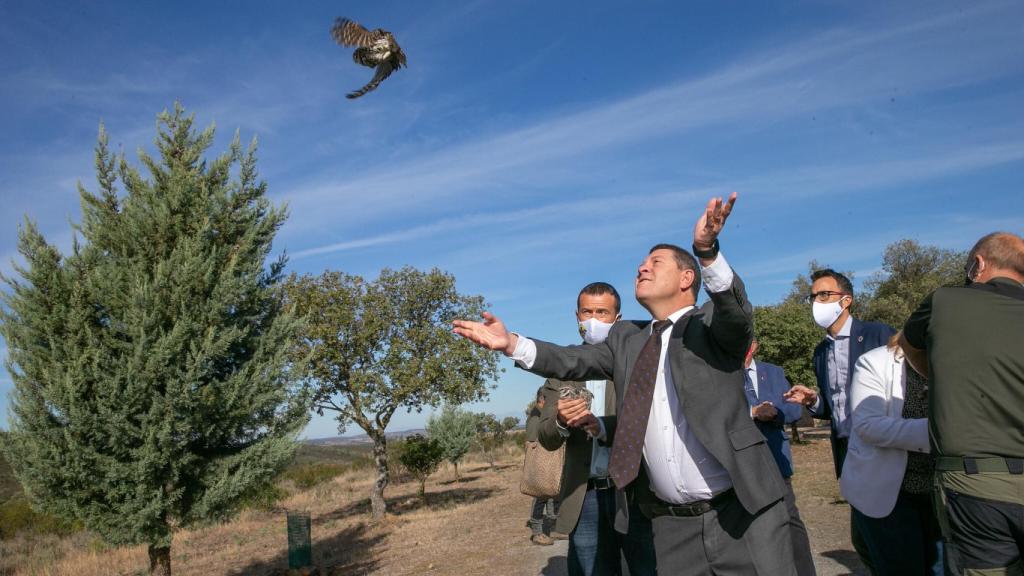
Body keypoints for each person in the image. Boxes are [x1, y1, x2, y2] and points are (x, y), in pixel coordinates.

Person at [455, 193, 797, 575]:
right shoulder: (625, 339)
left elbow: (736, 313)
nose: (641, 268)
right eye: (641, 263)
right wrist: (512, 344)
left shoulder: (710, 326)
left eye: (655, 262)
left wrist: (706, 250)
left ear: (687, 278)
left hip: (741, 511)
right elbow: (571, 359)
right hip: (669, 525)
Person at [900, 231, 1024, 575]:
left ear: (978, 264)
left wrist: (946, 378)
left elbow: (911, 346)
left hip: (976, 487)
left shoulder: (945, 301)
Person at [537, 282, 656, 576]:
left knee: (647, 567)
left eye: (602, 312)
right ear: (576, 316)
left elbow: (652, 420)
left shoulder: (636, 364)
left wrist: (603, 426)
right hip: (585, 495)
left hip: (632, 491)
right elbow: (545, 437)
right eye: (587, 312)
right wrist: (561, 421)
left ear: (617, 318)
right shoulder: (561, 370)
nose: (593, 319)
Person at [783, 268, 895, 571]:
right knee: (863, 536)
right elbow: (833, 408)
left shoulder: (878, 334)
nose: (816, 302)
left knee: (890, 533)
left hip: (883, 448)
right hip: (847, 451)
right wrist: (813, 400)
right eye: (813, 296)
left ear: (846, 300)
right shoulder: (821, 351)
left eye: (824, 295)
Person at [840, 333, 941, 575]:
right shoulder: (875, 362)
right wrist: (941, 431)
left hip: (941, 493)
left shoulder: (955, 362)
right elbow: (868, 425)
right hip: (891, 496)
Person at [743, 340, 816, 576]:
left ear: (754, 345)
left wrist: (773, 411)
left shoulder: (773, 372)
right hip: (743, 464)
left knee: (790, 522)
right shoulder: (724, 373)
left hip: (776, 460)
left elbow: (794, 410)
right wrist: (753, 412)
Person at [525, 387, 561, 545]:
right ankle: (537, 533)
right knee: (540, 496)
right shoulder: (535, 416)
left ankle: (554, 528)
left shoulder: (541, 414)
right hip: (541, 462)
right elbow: (532, 443)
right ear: (542, 400)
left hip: (548, 461)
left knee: (553, 494)